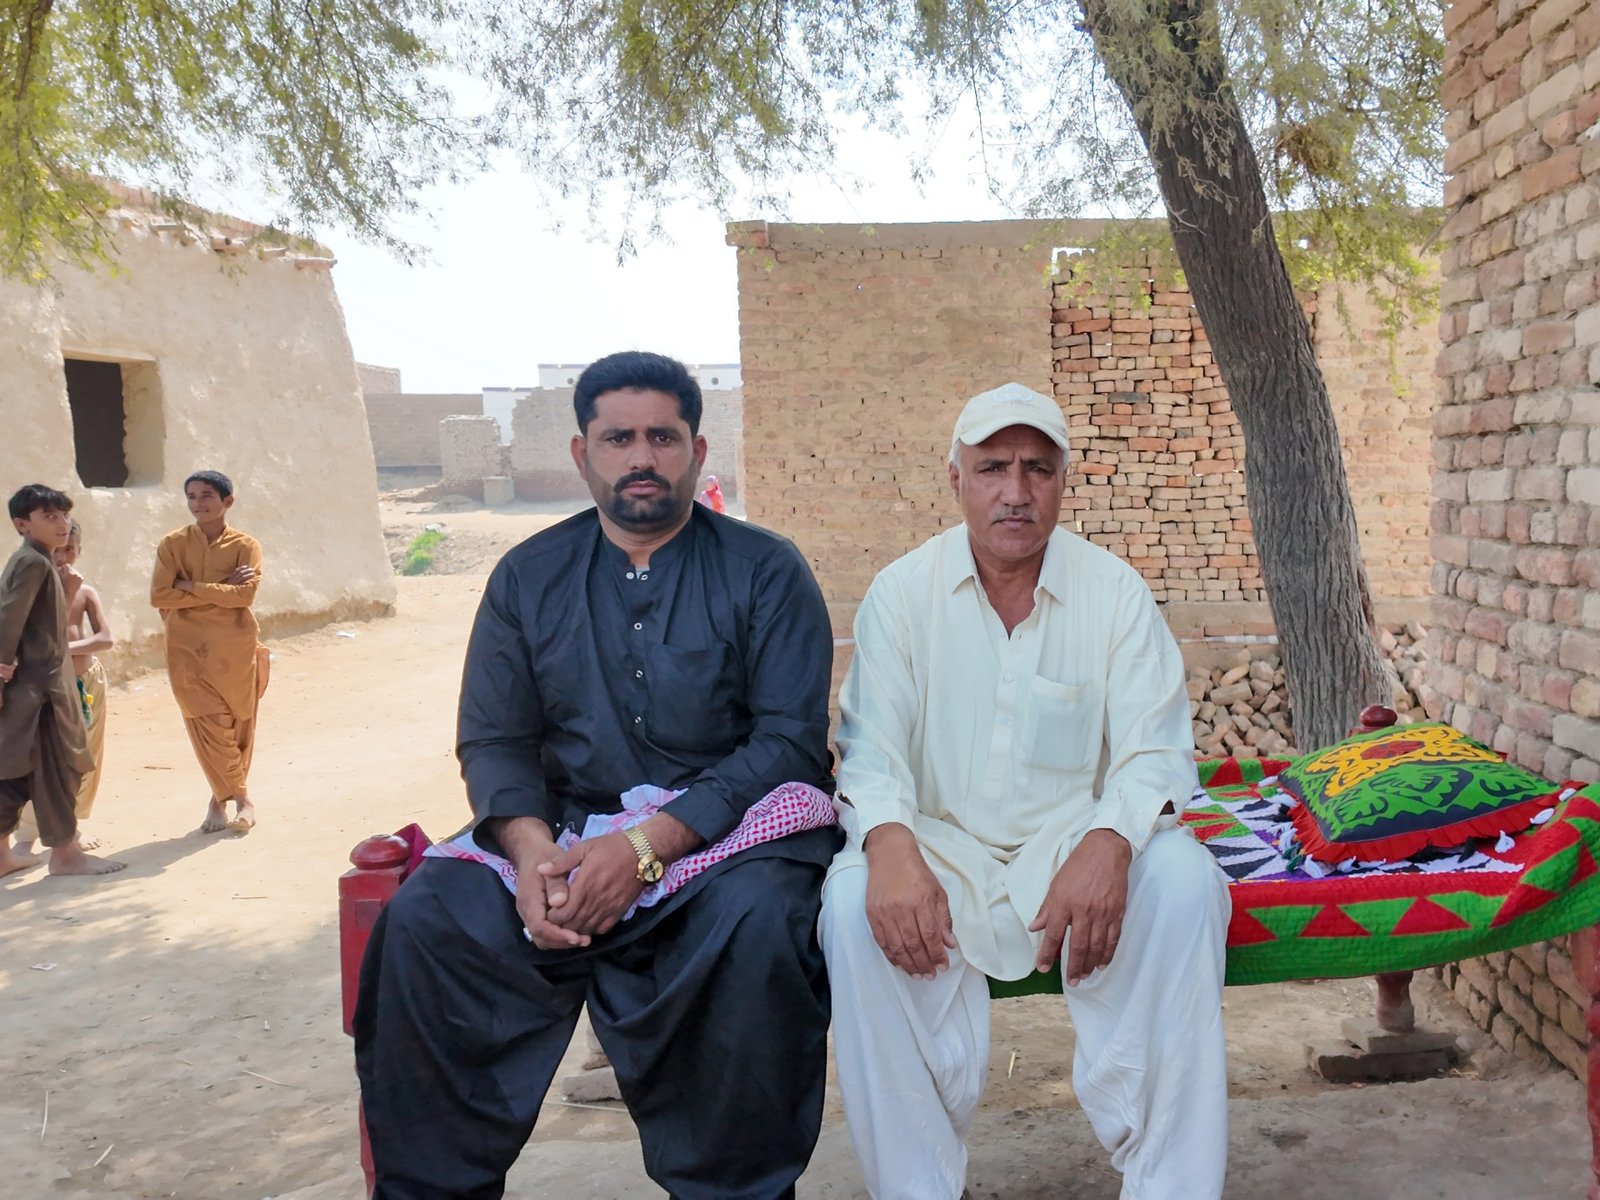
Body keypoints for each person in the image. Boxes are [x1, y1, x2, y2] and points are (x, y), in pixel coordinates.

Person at [354, 350, 840, 1200]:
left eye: (663, 437)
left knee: (761, 925)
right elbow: (496, 740)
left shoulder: (765, 568)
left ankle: (735, 1189)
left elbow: (787, 742)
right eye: (619, 439)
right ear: (583, 453)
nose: (641, 457)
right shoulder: (527, 576)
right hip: (562, 832)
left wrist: (647, 849)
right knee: (427, 923)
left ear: (696, 449)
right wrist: (533, 856)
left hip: (724, 839)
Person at [819, 383, 1230, 1200]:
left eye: (1038, 469)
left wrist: (1110, 843)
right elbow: (870, 750)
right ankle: (918, 1189)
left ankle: (1171, 1186)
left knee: (1184, 882)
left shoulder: (1114, 592)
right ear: (956, 480)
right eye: (993, 468)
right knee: (850, 906)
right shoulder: (902, 593)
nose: (1016, 491)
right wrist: (890, 846)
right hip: (939, 850)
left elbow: (1155, 752)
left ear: (1063, 482)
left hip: (1074, 850)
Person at [0, 485, 124, 878]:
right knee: (56, 769)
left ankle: (2, 857)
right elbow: (8, 622)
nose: (62, 524)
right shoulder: (34, 564)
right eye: (50, 516)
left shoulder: (33, 560)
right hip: (42, 694)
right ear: (23, 524)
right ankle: (67, 856)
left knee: (14, 774)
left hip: (31, 689)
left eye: (64, 515)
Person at [150, 470, 266, 833]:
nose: (197, 504)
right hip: (186, 648)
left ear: (227, 501)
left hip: (235, 648)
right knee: (208, 723)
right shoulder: (172, 544)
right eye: (191, 497)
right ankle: (242, 799)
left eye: (206, 496)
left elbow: (244, 596)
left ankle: (218, 800)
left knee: (238, 721)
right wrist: (220, 588)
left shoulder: (246, 546)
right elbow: (160, 595)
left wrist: (190, 586)